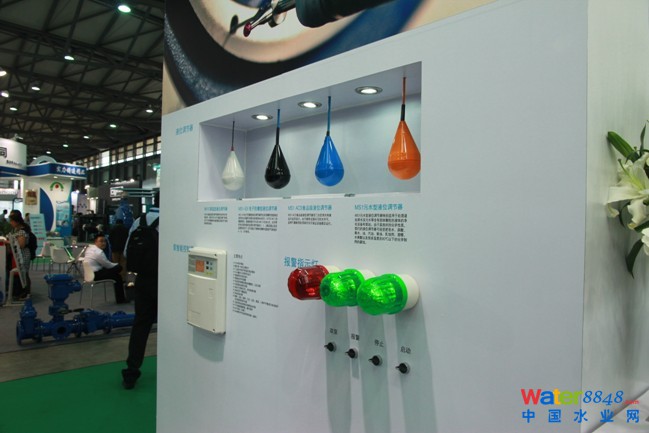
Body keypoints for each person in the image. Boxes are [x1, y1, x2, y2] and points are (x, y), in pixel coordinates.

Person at [122, 198, 159, 390]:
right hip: (166, 281)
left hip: (142, 281)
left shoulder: (139, 221)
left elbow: (127, 253)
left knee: (141, 325)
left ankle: (131, 371)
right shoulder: (174, 221)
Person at [84, 233, 127, 303]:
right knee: (118, 275)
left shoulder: (89, 248)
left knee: (115, 271)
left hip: (88, 274)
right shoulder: (98, 252)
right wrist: (117, 265)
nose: (104, 243)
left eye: (105, 241)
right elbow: (108, 265)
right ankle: (120, 299)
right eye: (101, 241)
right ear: (95, 242)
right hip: (95, 275)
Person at [8, 213, 31, 300]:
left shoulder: (22, 231)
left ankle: (25, 293)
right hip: (19, 255)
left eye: (12, 221)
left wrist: (9, 242)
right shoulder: (16, 230)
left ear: (16, 221)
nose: (10, 223)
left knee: (23, 274)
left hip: (23, 255)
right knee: (21, 274)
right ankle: (21, 293)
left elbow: (21, 245)